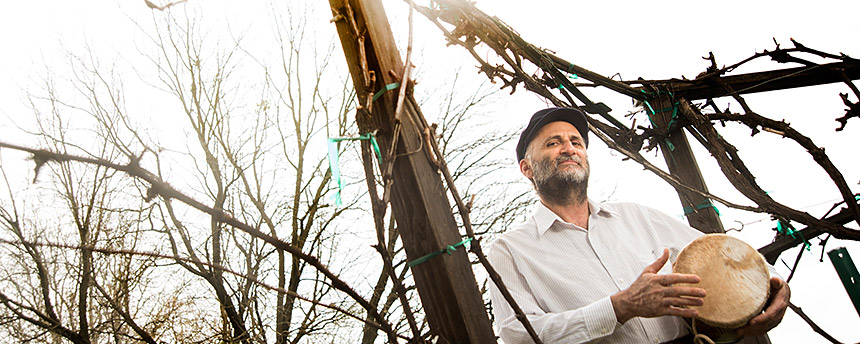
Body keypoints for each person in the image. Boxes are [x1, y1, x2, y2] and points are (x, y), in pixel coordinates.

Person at [487, 108, 790, 344]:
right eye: (553, 143)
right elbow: (518, 334)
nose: (569, 148)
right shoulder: (509, 250)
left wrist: (774, 285)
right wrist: (619, 307)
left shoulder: (637, 215)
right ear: (526, 168)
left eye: (576, 141)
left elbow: (721, 254)